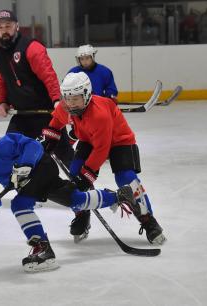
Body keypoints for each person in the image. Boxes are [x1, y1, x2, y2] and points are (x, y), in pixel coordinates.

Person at [0, 124, 140, 272]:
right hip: (29, 182)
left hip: (42, 167)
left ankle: (43, 249)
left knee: (20, 204)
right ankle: (117, 196)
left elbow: (34, 146)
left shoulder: (6, 143)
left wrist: (26, 165)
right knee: (76, 200)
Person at [40, 72, 167, 245]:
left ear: (86, 94)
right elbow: (55, 122)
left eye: (75, 99)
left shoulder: (99, 114)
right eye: (67, 98)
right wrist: (51, 139)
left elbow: (102, 149)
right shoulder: (65, 107)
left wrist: (87, 175)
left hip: (120, 141)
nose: (70, 103)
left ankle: (148, 220)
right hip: (89, 140)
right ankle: (82, 213)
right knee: (74, 175)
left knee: (126, 179)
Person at [0, 9, 73, 166]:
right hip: (21, 116)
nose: (4, 30)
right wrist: (2, 102)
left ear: (17, 26)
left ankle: (83, 186)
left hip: (46, 114)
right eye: (0, 27)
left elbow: (49, 76)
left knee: (64, 155)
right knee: (10, 150)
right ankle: (28, 188)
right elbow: (3, 82)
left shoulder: (32, 48)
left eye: (8, 26)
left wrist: (57, 100)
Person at [65, 44, 119, 242]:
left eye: (88, 58)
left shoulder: (105, 72)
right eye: (82, 58)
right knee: (74, 176)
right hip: (83, 127)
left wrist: (107, 101)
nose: (85, 61)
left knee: (86, 172)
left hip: (98, 120)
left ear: (93, 56)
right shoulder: (73, 74)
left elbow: (112, 92)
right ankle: (81, 213)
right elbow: (67, 100)